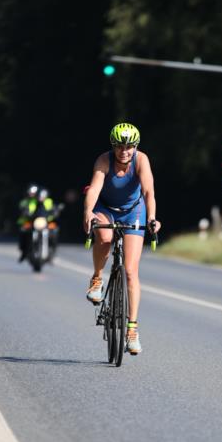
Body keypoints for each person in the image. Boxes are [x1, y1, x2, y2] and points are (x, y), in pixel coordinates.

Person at [83, 122, 160, 355]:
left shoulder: (141, 160)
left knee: (130, 271)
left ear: (135, 146)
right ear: (113, 146)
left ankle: (132, 330)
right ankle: (97, 278)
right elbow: (95, 189)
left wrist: (153, 218)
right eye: (119, 146)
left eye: (129, 146)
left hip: (134, 210)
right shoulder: (103, 160)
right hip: (105, 207)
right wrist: (88, 212)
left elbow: (148, 192)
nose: (124, 151)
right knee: (105, 238)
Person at [17, 184, 57, 262]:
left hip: (46, 222)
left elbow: (53, 209)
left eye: (42, 196)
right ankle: (24, 251)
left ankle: (52, 251)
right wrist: (26, 212)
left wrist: (55, 212)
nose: (41, 198)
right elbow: (27, 209)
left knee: (55, 231)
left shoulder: (49, 201)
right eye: (39, 196)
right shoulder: (32, 201)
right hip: (33, 222)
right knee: (23, 231)